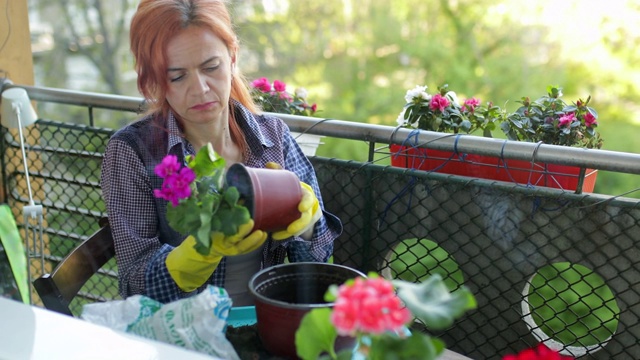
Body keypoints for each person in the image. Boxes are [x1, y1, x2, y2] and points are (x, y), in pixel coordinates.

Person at [100, 0, 342, 306]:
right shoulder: (133, 152)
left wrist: (309, 225)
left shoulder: (272, 138)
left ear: (232, 58)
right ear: (155, 80)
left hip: (266, 323)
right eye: (177, 76)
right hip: (183, 335)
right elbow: (134, 283)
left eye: (211, 67)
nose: (200, 89)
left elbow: (319, 264)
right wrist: (192, 258)